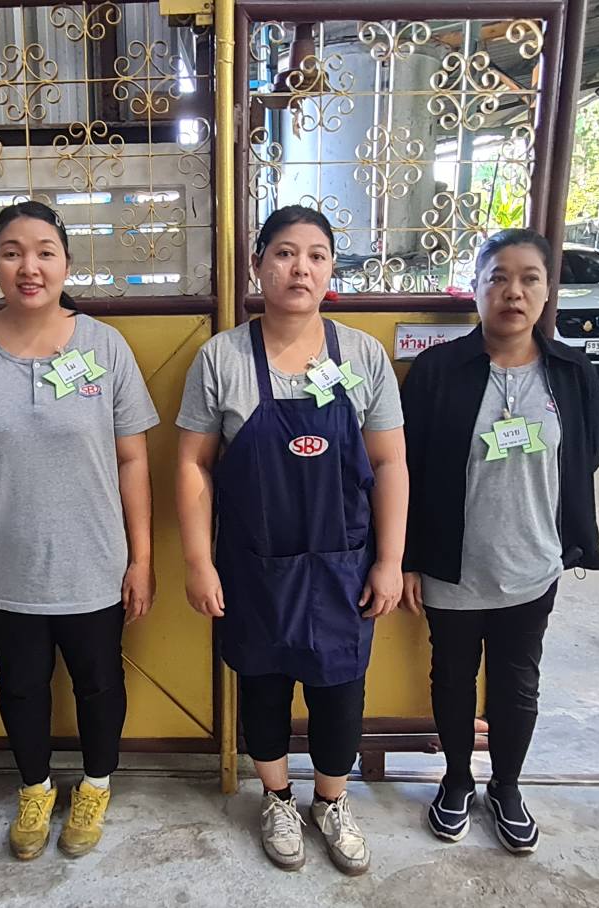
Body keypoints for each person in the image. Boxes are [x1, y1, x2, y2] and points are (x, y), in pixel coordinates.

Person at [0, 201, 159, 861]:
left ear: (66, 264)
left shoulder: (104, 346)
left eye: (45, 252)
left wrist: (141, 560)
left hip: (95, 565)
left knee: (99, 683)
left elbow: (133, 460)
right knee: (19, 686)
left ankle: (96, 786)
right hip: (4, 567)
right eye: (13, 252)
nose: (30, 266)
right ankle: (35, 789)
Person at [175, 205, 408, 876]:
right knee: (263, 685)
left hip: (344, 563)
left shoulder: (361, 355)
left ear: (331, 270)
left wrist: (390, 560)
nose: (299, 268)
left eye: (315, 255)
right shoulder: (221, 358)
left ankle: (331, 801)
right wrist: (198, 561)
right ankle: (276, 799)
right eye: (283, 253)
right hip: (254, 563)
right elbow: (192, 464)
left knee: (341, 690)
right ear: (257, 266)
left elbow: (390, 462)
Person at [401, 228, 599, 854]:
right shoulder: (437, 371)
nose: (513, 292)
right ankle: (457, 781)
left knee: (518, 682)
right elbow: (405, 469)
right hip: (452, 565)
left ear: (546, 291)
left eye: (528, 279)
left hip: (533, 563)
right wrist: (407, 559)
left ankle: (507, 787)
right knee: (452, 677)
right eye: (498, 277)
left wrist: (561, 539)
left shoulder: (571, 373)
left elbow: (586, 458)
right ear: (476, 288)